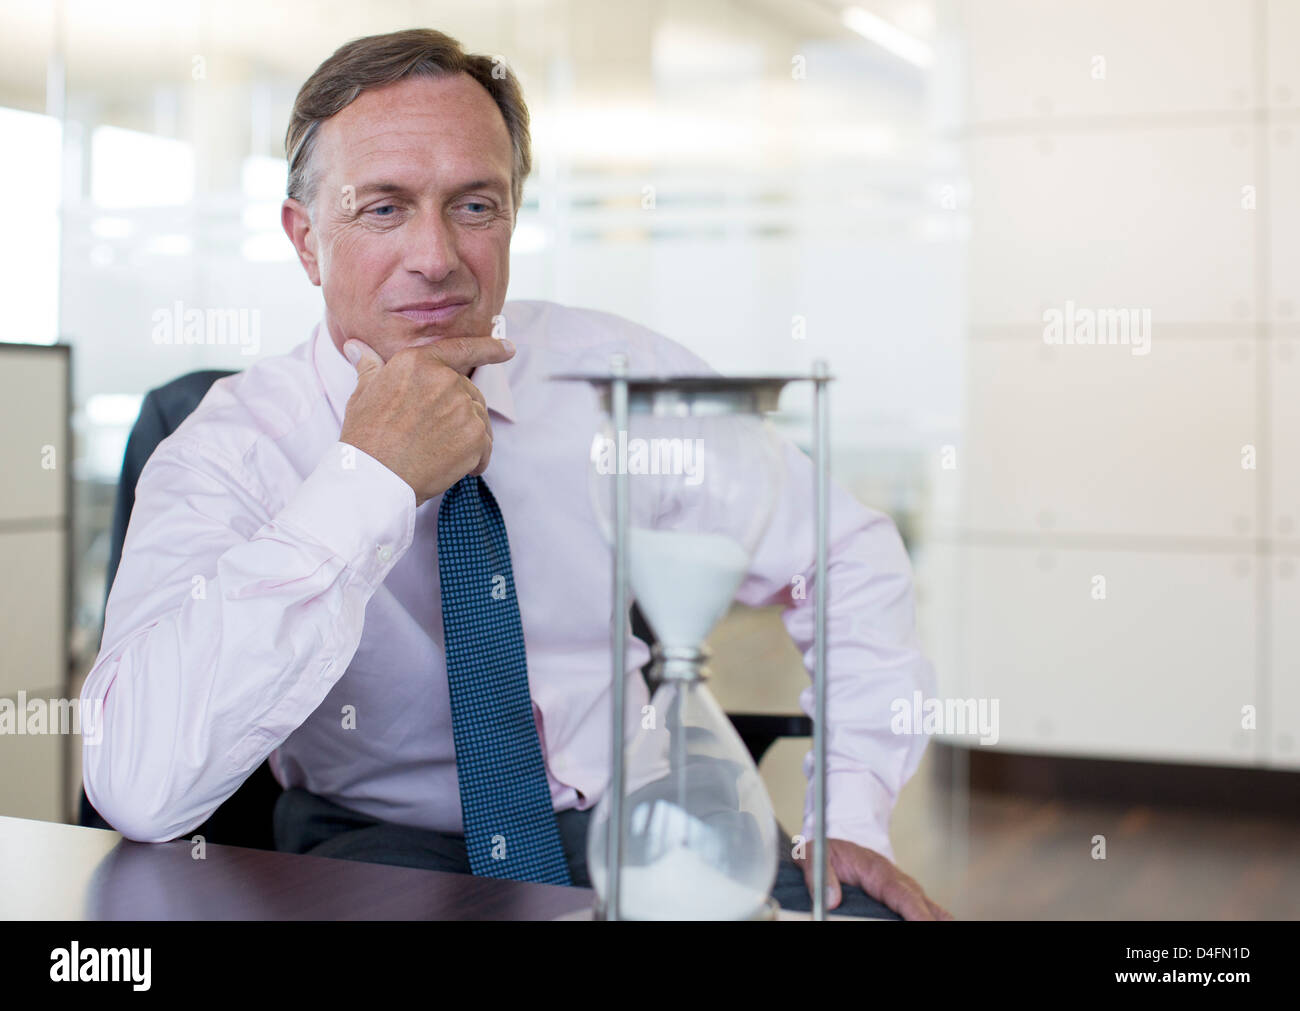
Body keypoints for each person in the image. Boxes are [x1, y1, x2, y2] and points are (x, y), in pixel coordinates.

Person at [81, 28, 951, 921]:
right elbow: (138, 784)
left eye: (474, 206)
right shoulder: (226, 447)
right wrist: (367, 480)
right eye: (383, 208)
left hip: (649, 819)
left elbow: (843, 551)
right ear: (306, 240)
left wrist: (848, 811)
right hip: (383, 849)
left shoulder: (614, 377)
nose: (436, 257)